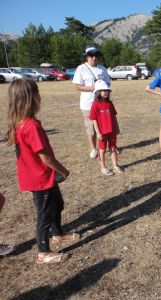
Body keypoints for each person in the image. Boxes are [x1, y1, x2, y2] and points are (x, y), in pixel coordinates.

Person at [5, 79, 80, 264]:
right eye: (37, 94)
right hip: (39, 179)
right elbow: (45, 157)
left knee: (57, 204)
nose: (40, 97)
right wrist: (64, 171)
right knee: (45, 214)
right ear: (31, 99)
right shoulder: (30, 126)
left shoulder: (21, 123)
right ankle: (43, 252)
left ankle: (58, 234)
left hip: (44, 176)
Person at [73, 46, 111, 159]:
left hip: (102, 103)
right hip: (88, 104)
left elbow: (108, 84)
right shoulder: (81, 68)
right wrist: (94, 88)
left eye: (96, 55)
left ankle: (106, 146)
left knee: (105, 125)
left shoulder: (102, 69)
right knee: (91, 128)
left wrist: (103, 90)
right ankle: (93, 149)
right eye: (91, 55)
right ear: (86, 57)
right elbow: (77, 86)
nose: (94, 58)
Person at [89, 80, 123, 176]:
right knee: (102, 150)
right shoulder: (95, 104)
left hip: (111, 131)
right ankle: (103, 168)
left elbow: (114, 116)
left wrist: (117, 128)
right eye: (104, 91)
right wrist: (98, 133)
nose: (107, 93)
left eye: (108, 91)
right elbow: (94, 119)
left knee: (113, 148)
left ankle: (115, 166)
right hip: (102, 132)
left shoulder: (109, 103)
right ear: (98, 92)